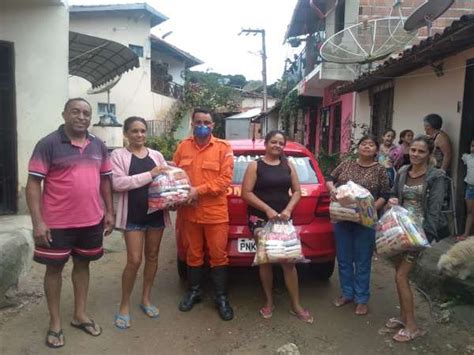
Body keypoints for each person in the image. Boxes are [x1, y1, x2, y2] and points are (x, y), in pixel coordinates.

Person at [26, 98, 114, 348]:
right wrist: (38, 222)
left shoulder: (98, 145)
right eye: (75, 111)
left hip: (90, 221)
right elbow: (33, 184)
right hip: (56, 224)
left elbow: (105, 180)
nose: (81, 117)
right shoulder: (48, 144)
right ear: (64, 114)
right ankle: (55, 322)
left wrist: (109, 211)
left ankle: (80, 314)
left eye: (86, 113)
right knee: (53, 270)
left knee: (83, 265)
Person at [241, 130, 313, 323]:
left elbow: (297, 191)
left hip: (283, 219)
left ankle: (296, 305)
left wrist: (288, 210)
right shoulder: (255, 165)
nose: (277, 146)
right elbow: (246, 193)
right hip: (260, 219)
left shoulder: (287, 165)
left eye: (281, 143)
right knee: (265, 260)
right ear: (266, 143)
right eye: (274, 142)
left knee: (289, 261)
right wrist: (267, 210)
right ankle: (269, 301)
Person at [173, 108, 234, 321]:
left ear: (212, 125)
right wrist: (173, 195)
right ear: (192, 123)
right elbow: (176, 176)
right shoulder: (183, 147)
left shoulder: (223, 148)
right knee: (193, 254)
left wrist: (197, 191)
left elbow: (225, 180)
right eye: (198, 121)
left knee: (218, 256)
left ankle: (221, 297)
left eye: (206, 122)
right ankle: (194, 291)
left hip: (214, 214)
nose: (202, 125)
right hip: (189, 213)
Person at [111, 117, 172, 329]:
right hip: (132, 217)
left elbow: (167, 182)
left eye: (143, 131)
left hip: (155, 216)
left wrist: (175, 198)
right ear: (126, 134)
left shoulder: (156, 155)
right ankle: (124, 304)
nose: (139, 135)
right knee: (134, 260)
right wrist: (150, 174)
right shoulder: (118, 155)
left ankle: (146, 298)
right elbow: (118, 183)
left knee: (153, 257)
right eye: (135, 131)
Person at [386, 135, 448, 342]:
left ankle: (413, 327)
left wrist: (426, 238)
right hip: (399, 231)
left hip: (418, 234)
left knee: (401, 276)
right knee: (399, 274)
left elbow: (435, 209)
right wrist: (392, 199)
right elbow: (393, 194)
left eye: (421, 151)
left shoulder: (436, 176)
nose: (415, 154)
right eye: (413, 150)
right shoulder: (403, 171)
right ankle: (404, 317)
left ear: (429, 154)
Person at [326, 135, 390, 316]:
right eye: (364, 144)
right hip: (343, 217)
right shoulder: (347, 164)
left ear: (376, 150)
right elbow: (330, 178)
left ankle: (361, 299)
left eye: (371, 144)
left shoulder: (380, 170)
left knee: (362, 260)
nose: (367, 147)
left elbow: (385, 194)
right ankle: (347, 294)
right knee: (344, 259)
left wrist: (368, 211)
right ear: (358, 148)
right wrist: (333, 191)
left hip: (366, 221)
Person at [457, 138, 474, 241]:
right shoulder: (467, 157)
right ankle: (466, 234)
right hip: (471, 187)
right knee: (470, 211)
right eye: (472, 146)